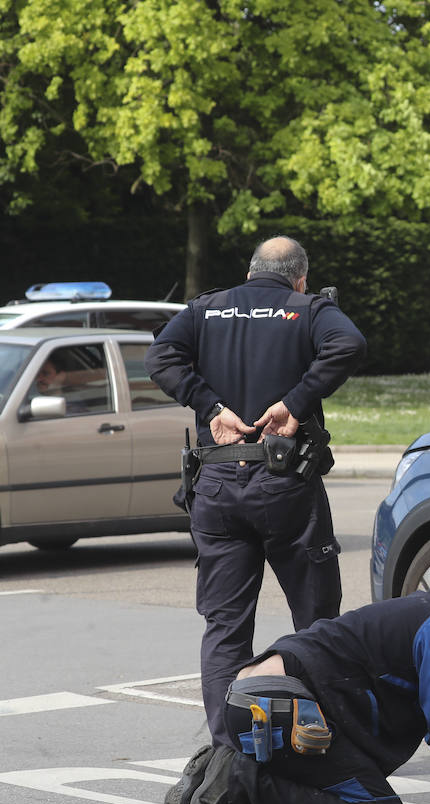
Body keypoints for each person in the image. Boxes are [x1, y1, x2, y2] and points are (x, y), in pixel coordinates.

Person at [146, 236, 366, 749]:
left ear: (249, 274)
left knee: (225, 629)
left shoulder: (206, 309)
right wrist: (295, 402)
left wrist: (210, 406)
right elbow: (349, 344)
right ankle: (321, 741)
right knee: (316, 621)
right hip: (284, 484)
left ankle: (229, 754)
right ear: (301, 277)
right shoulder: (306, 309)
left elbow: (160, 357)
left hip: (217, 486)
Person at [162, 554, 430, 804]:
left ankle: (209, 785)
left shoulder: (422, 613)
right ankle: (238, 783)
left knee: (347, 787)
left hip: (258, 701)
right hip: (283, 705)